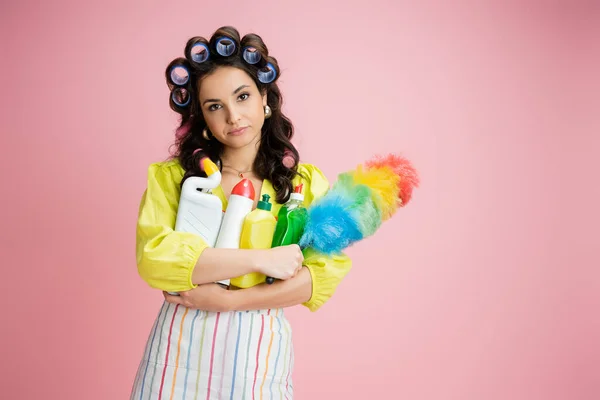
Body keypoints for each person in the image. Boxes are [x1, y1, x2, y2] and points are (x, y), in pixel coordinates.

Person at [129, 26, 352, 399]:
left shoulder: (305, 185)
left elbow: (319, 278)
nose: (233, 116)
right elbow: (157, 260)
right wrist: (264, 261)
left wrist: (230, 300)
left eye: (243, 96)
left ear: (264, 97)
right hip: (178, 348)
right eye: (215, 106)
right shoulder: (173, 179)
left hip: (257, 355)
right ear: (203, 117)